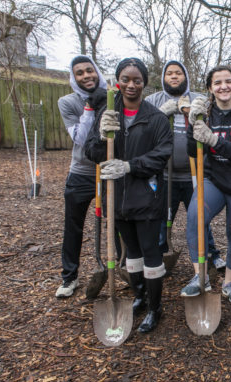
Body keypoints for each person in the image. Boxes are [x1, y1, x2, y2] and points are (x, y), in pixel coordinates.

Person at [85, 58, 172, 333]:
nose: (131, 85)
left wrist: (130, 166)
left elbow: (161, 155)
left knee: (150, 252)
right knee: (130, 253)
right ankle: (140, 297)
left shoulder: (155, 118)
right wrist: (101, 135)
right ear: (117, 81)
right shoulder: (108, 115)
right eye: (125, 79)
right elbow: (92, 152)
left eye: (137, 80)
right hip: (117, 197)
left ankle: (156, 307)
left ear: (145, 83)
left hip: (147, 197)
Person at [180, 65, 231, 304]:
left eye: (228, 81)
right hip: (214, 179)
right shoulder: (206, 116)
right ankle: (201, 277)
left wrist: (213, 139)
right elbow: (191, 150)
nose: (223, 86)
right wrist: (192, 123)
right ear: (210, 88)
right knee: (195, 219)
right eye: (217, 83)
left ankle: (229, 283)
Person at [145, 60, 226, 271]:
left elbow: (212, 122)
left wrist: (190, 110)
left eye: (178, 73)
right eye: (169, 73)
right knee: (162, 219)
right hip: (164, 175)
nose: (174, 77)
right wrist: (160, 115)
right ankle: (162, 256)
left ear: (185, 77)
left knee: (200, 218)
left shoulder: (199, 98)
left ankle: (211, 254)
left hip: (194, 173)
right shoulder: (153, 101)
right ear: (163, 77)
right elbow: (144, 132)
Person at [56, 55, 108, 298]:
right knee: (73, 226)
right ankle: (70, 277)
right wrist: (89, 107)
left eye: (90, 70)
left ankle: (122, 268)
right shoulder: (67, 102)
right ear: (73, 77)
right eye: (80, 73)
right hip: (81, 173)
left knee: (119, 222)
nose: (87, 75)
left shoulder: (112, 98)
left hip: (108, 171)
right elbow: (79, 138)